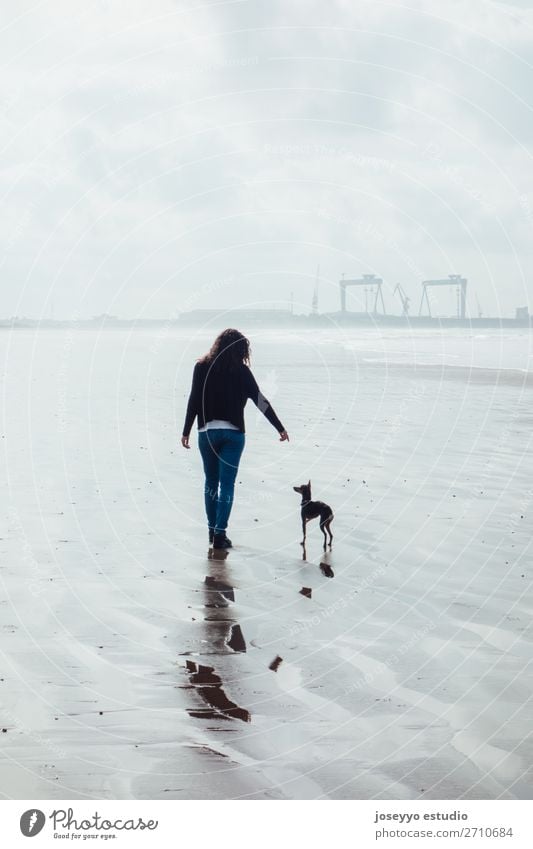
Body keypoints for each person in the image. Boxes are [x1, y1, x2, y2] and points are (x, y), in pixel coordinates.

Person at [181, 328, 289, 549]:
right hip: (233, 434)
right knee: (227, 485)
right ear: (241, 349)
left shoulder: (201, 367)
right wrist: (279, 427)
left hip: (207, 433)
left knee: (210, 483)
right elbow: (260, 400)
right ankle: (220, 534)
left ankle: (212, 532)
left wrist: (186, 430)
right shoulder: (242, 371)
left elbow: (193, 399)